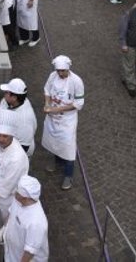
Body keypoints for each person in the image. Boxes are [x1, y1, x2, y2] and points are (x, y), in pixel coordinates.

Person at [41, 55, 85, 190]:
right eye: (58, 70)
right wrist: (47, 104)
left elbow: (78, 103)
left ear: (68, 68)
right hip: (52, 118)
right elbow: (47, 90)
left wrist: (57, 109)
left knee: (68, 146)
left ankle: (68, 174)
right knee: (53, 140)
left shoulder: (76, 81)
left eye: (63, 71)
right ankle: (56, 160)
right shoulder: (52, 76)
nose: (60, 73)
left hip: (67, 120)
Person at [0, 175, 49, 262]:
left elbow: (29, 252)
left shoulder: (36, 223)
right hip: (12, 252)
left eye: (17, 194)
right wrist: (4, 227)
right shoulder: (18, 200)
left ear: (26, 198)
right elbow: (11, 212)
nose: (15, 194)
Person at [0, 78, 37, 156]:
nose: (4, 93)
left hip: (11, 155)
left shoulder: (25, 119)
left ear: (14, 97)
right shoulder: (7, 101)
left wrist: (3, 156)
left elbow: (24, 147)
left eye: (7, 92)